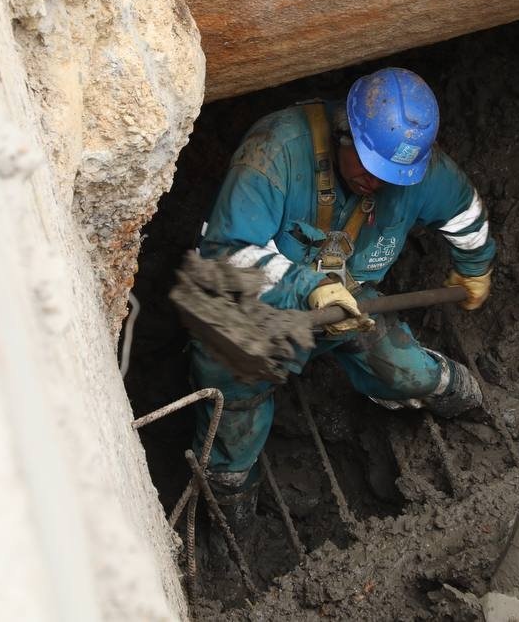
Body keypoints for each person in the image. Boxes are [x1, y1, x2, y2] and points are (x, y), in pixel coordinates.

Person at [190, 67, 495, 543]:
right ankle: (231, 511)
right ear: (344, 134)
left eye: (393, 176)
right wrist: (302, 285)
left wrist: (475, 266)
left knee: (408, 372)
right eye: (370, 169)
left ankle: (466, 400)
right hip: (256, 307)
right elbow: (225, 255)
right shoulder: (273, 154)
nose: (378, 183)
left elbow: (465, 215)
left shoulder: (413, 167)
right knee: (234, 411)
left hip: (349, 300)